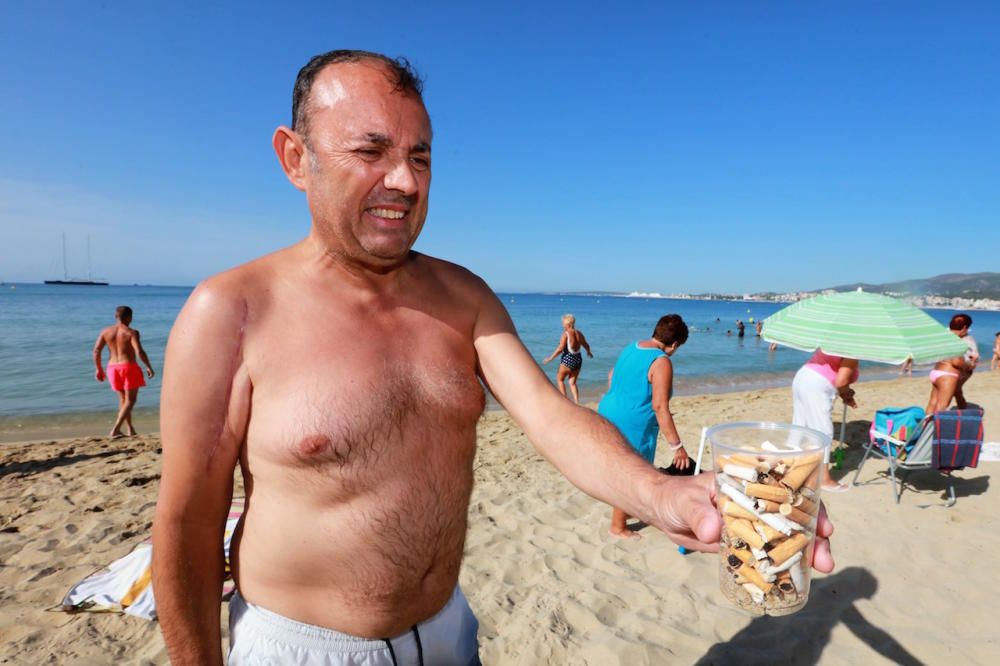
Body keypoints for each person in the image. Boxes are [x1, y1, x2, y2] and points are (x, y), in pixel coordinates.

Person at [151, 50, 834, 666]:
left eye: (420, 157)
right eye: (372, 150)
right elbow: (186, 523)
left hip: (448, 636)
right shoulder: (231, 312)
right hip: (302, 648)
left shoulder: (463, 296)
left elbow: (549, 416)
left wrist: (663, 494)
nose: (406, 180)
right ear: (296, 157)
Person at [598, 315, 691, 539]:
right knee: (631, 472)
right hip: (634, 422)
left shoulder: (633, 347)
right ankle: (618, 526)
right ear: (675, 344)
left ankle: (626, 510)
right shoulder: (661, 361)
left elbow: (612, 375)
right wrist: (677, 446)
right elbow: (660, 406)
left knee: (621, 467)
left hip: (609, 409)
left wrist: (625, 396)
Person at [791, 349, 859, 492]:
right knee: (823, 432)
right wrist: (846, 392)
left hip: (803, 376)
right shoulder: (853, 347)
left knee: (800, 425)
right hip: (817, 385)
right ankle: (823, 479)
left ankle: (791, 465)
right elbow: (841, 381)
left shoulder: (835, 338)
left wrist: (845, 393)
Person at [92, 305, 155, 438]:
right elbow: (139, 351)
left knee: (123, 400)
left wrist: (98, 368)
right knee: (130, 401)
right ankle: (115, 428)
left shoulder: (106, 331)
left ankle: (130, 429)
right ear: (130, 317)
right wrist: (148, 366)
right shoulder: (131, 332)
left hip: (112, 368)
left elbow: (96, 350)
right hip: (128, 367)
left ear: (116, 317)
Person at [926, 314, 976, 413]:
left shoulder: (944, 338)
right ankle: (937, 428)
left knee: (932, 403)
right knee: (942, 407)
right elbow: (956, 362)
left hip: (936, 372)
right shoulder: (956, 341)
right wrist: (968, 366)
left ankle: (926, 426)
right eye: (968, 329)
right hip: (948, 375)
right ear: (964, 328)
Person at [542, 314, 593, 403]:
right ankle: (576, 401)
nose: (562, 325)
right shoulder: (579, 333)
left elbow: (560, 349)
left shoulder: (565, 334)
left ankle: (565, 401)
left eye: (563, 324)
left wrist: (550, 358)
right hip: (578, 360)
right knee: (572, 382)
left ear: (568, 324)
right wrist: (589, 352)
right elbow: (586, 345)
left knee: (560, 379)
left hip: (568, 359)